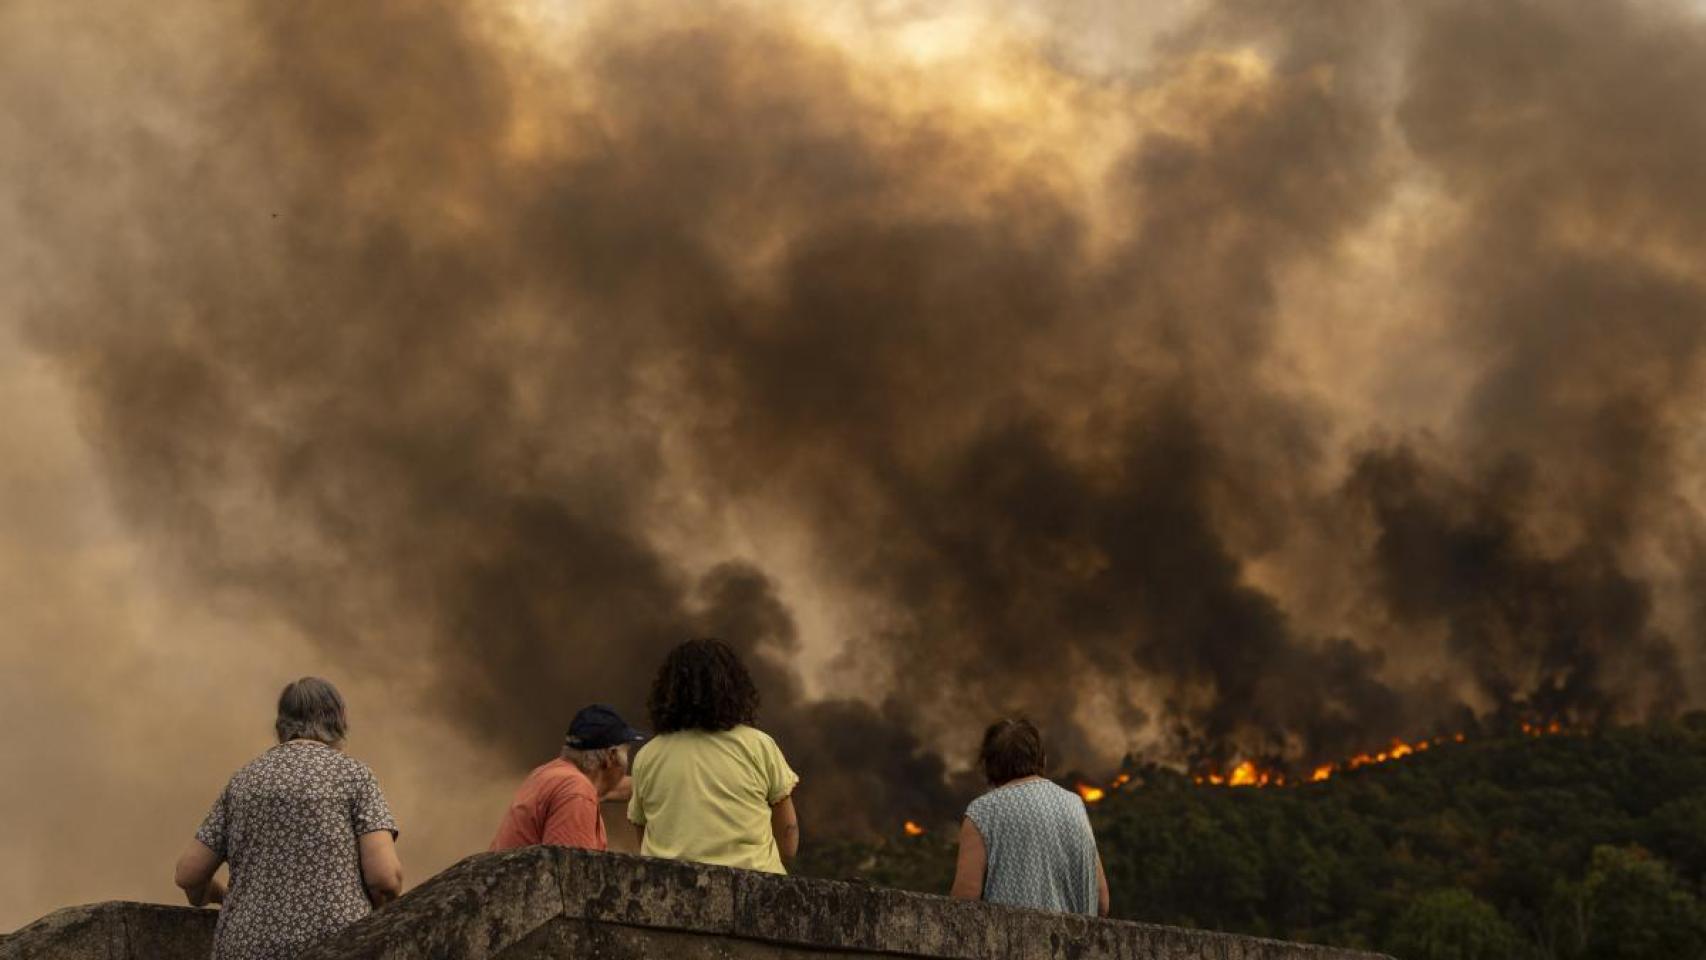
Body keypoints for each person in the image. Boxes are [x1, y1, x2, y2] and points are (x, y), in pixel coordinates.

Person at [173, 677, 404, 960]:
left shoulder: (244, 781)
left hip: (245, 949)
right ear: (339, 722)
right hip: (336, 947)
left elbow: (188, 875)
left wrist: (224, 898)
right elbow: (385, 879)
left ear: (280, 724)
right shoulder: (354, 777)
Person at [627, 638, 800, 873]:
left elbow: (644, 837)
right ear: (734, 688)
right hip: (756, 893)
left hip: (671, 896)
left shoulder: (647, 756)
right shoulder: (759, 746)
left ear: (668, 692)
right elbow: (788, 841)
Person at [949, 717, 1110, 916]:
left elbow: (964, 902)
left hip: (1012, 945)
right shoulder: (1075, 805)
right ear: (1041, 759)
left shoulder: (983, 812)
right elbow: (1102, 902)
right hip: (1075, 945)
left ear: (988, 765)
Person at [490, 704, 646, 851]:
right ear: (611, 756)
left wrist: (659, 784)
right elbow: (569, 874)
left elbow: (617, 788)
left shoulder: (550, 774)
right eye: (626, 751)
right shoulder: (577, 793)